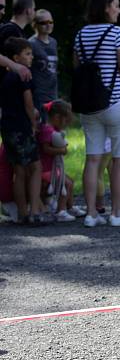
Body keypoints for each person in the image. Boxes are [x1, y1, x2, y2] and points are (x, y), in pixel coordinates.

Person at [76, 0, 120, 227]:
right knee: (119, 159)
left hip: (89, 105)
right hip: (116, 102)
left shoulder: (81, 34)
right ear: (106, 8)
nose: (119, 9)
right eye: (116, 5)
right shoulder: (117, 33)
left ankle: (91, 214)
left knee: (92, 158)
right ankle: (116, 213)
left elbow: (79, 68)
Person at [0, 37, 45, 225]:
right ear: (16, 58)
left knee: (18, 170)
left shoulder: (5, 78)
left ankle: (22, 213)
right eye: (27, 54)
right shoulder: (24, 75)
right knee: (36, 167)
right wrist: (33, 124)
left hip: (7, 127)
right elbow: (28, 102)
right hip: (22, 127)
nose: (31, 57)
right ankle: (35, 212)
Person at [38, 99, 85, 221]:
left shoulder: (54, 130)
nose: (66, 125)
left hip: (52, 168)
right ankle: (61, 211)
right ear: (57, 117)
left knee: (70, 181)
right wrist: (61, 151)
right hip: (46, 169)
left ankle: (69, 206)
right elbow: (46, 149)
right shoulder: (47, 130)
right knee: (67, 183)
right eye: (65, 121)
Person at [28, 9, 58, 122]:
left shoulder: (54, 42)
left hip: (53, 93)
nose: (48, 25)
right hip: (39, 95)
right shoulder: (31, 43)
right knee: (42, 130)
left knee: (53, 130)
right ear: (35, 25)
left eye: (51, 22)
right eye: (43, 23)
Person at [0, 0, 34, 83]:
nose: (3, 12)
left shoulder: (17, 31)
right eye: (34, 9)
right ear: (29, 11)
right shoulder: (10, 31)